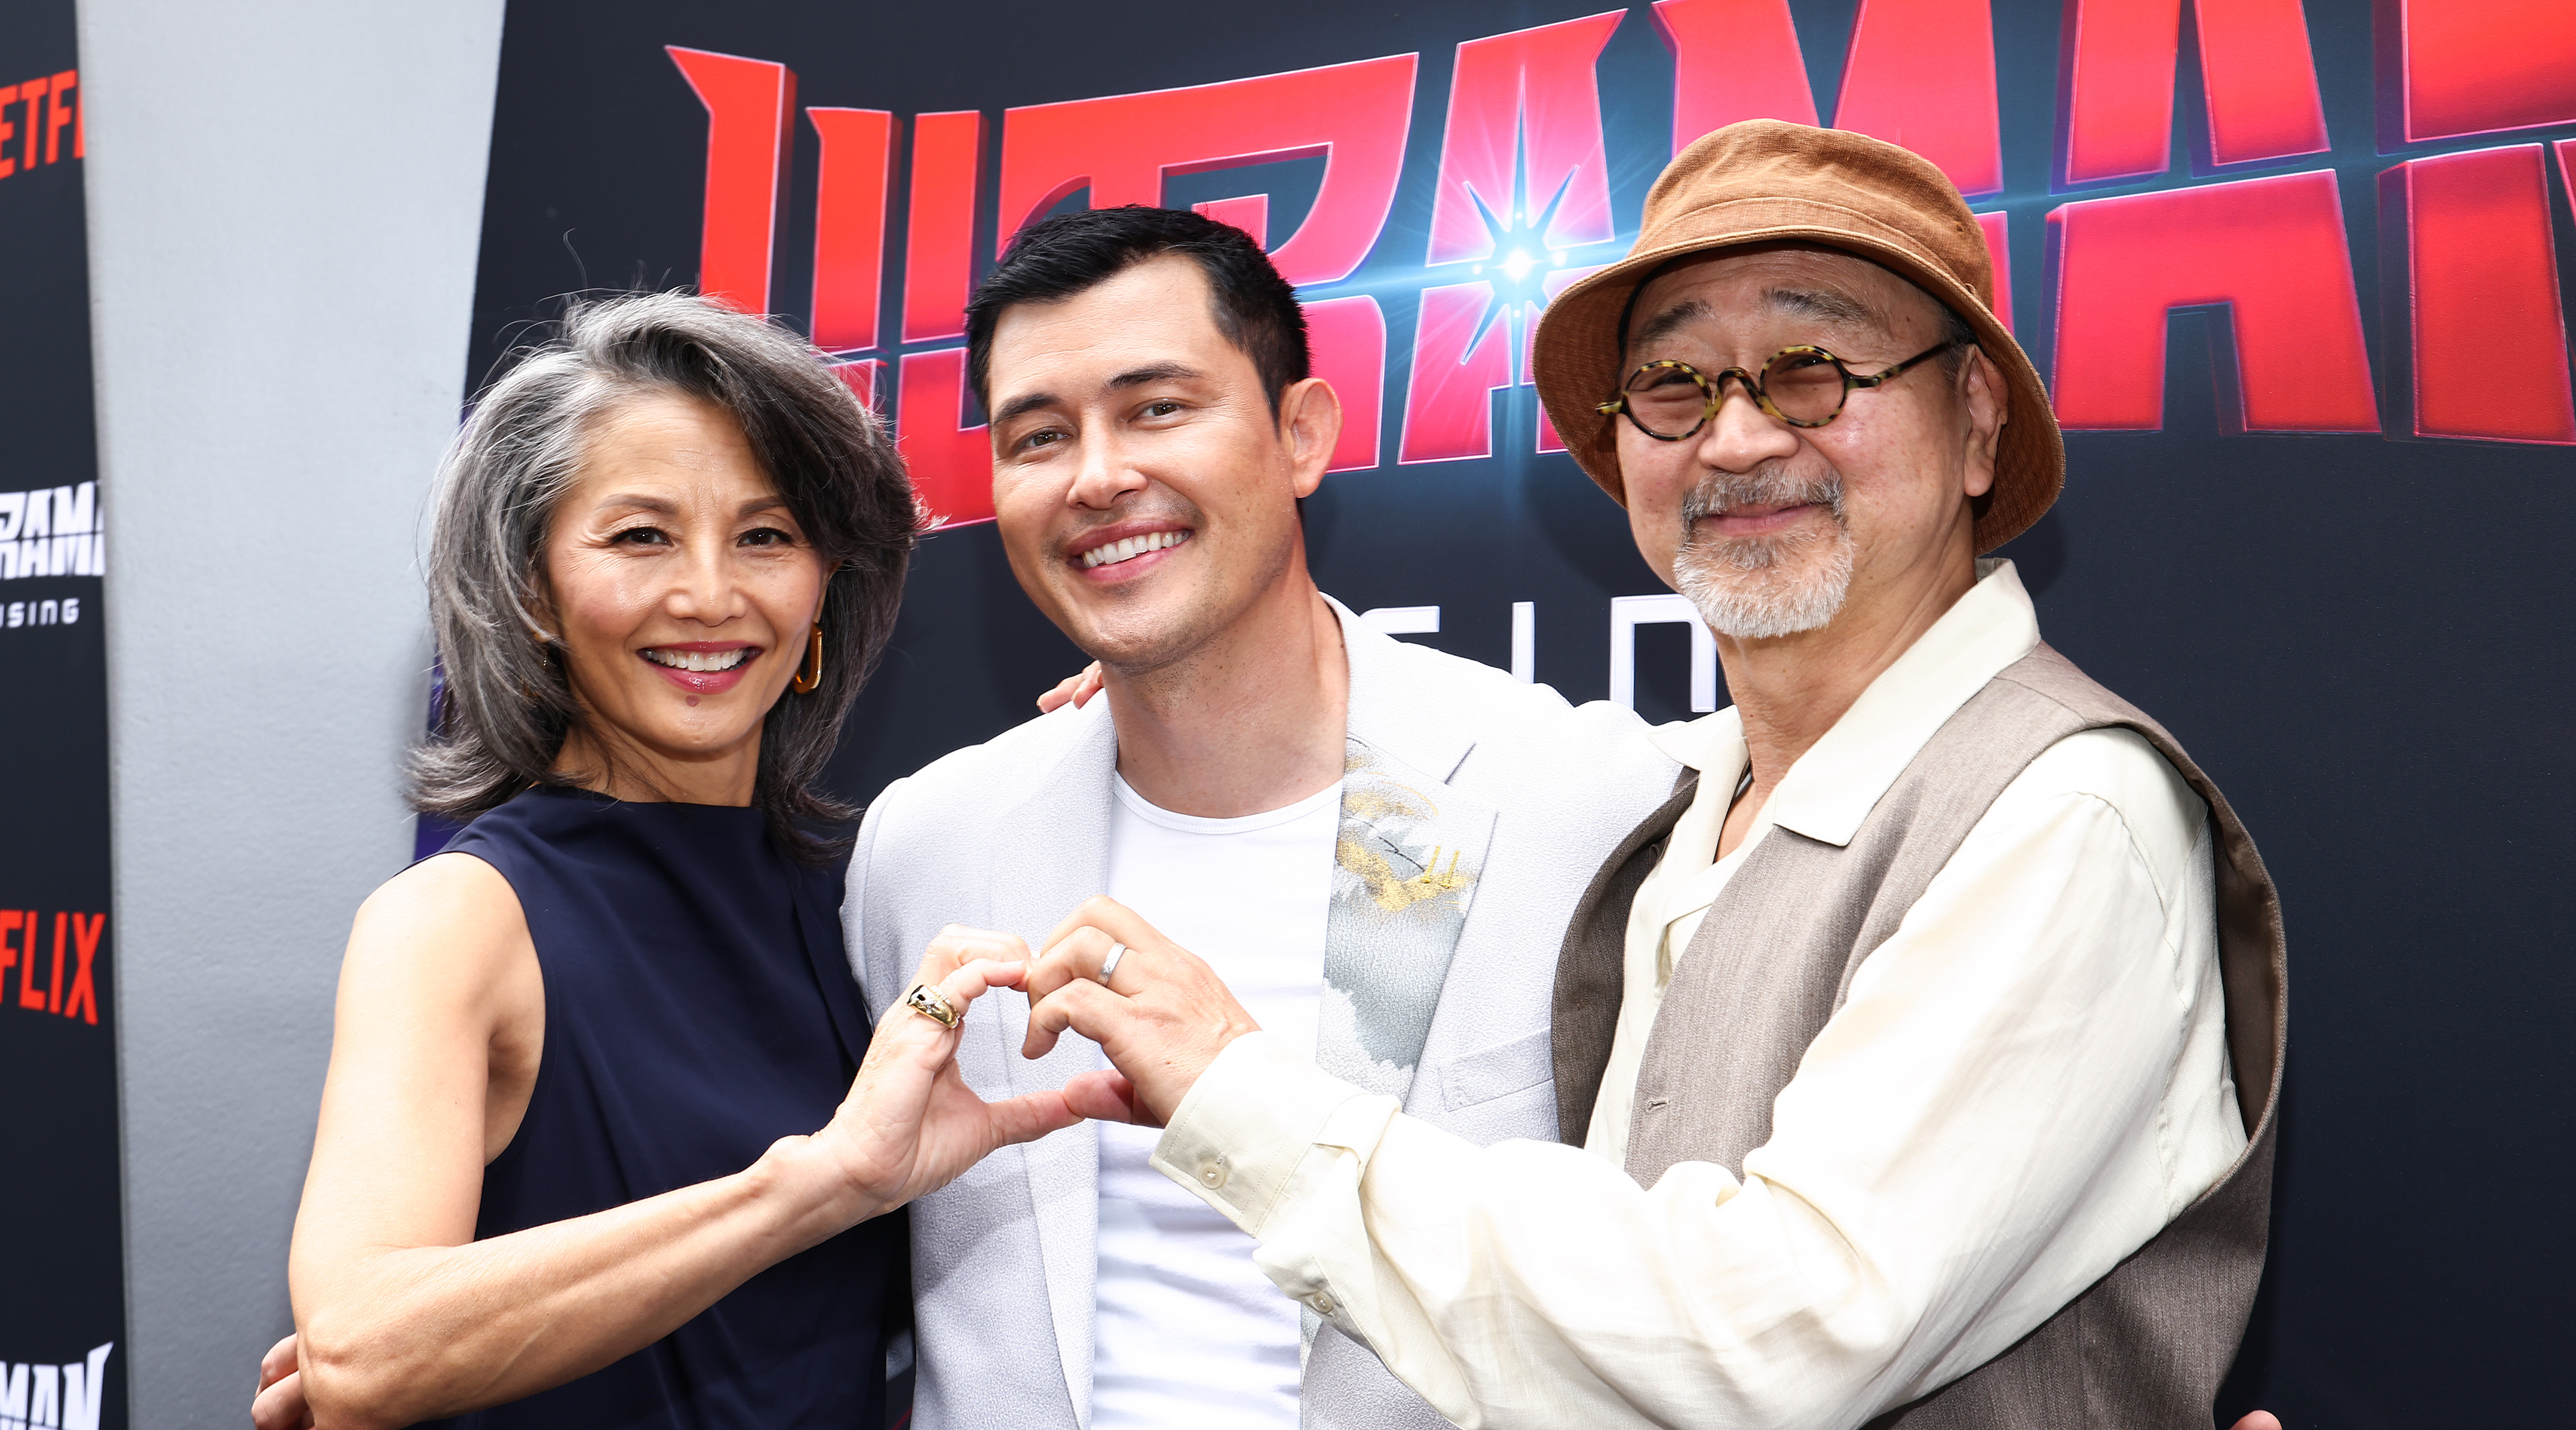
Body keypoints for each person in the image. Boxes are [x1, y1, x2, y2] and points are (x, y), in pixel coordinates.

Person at [1022, 120, 2291, 1427]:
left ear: (1973, 420)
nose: (1735, 440)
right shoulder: (1672, 791)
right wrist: (1168, 683)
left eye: (1810, 368)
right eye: (1675, 385)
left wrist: (1243, 1094)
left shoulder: (2059, 811)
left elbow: (1771, 1336)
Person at [841, 207, 1684, 1429]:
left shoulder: (1577, 796)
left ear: (1301, 433)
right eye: (1037, 434)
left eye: (1157, 407)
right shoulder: (928, 843)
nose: (1097, 474)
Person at [251, 292, 1092, 1430]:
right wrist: (813, 1184)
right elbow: (360, 1347)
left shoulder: (864, 898)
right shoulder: (459, 917)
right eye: (640, 535)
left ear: (823, 584)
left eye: (766, 535)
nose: (709, 593)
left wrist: (1134, 726)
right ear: (531, 589)